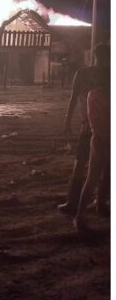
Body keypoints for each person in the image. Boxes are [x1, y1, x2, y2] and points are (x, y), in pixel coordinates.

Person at [59, 43, 110, 215]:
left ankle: (76, 203)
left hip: (92, 126)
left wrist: (67, 122)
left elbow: (73, 99)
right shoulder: (105, 74)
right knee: (103, 165)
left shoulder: (85, 73)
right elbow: (74, 99)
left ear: (94, 56)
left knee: (83, 164)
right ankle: (97, 203)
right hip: (100, 127)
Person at [73, 80, 109, 231]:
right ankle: (82, 214)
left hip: (100, 139)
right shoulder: (98, 96)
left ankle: (80, 215)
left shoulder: (93, 95)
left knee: (94, 179)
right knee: (95, 178)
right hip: (103, 140)